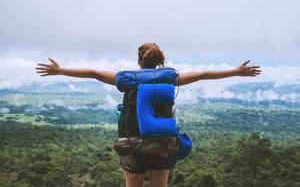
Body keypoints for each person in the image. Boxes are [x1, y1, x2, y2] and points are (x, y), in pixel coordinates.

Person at [35, 43, 262, 187]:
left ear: (139, 61)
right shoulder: (168, 78)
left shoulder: (127, 79)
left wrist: (61, 70)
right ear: (160, 61)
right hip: (163, 143)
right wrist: (236, 71)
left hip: (131, 141)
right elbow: (202, 74)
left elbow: (94, 73)